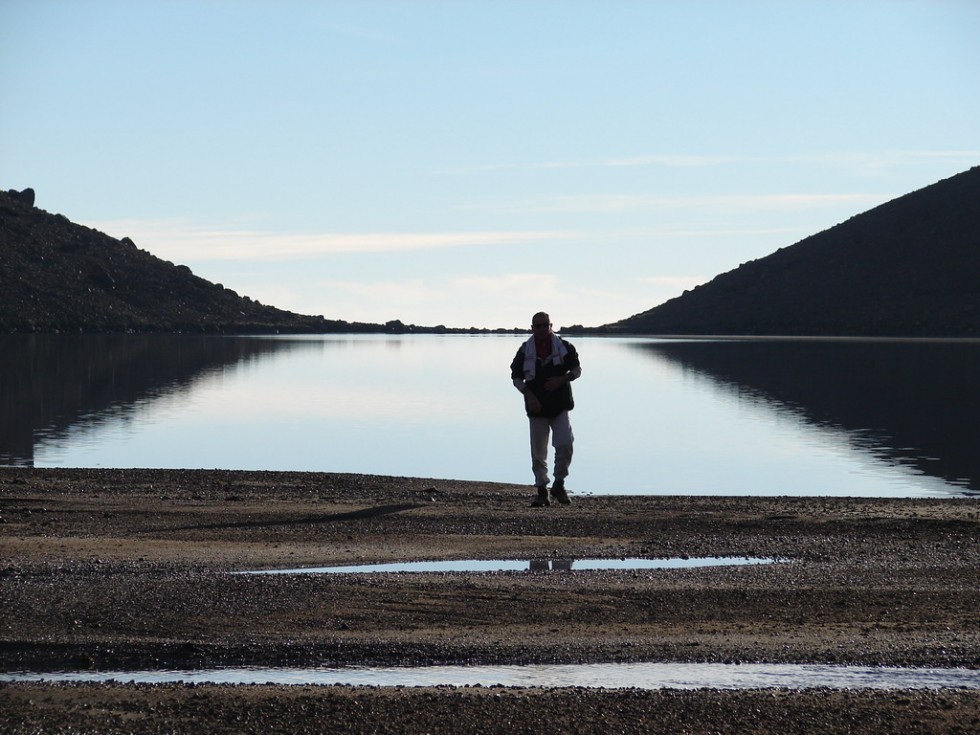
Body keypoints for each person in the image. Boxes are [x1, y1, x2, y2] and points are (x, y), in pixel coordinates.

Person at [510, 312, 582, 507]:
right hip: (537, 408)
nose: (542, 329)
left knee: (565, 444)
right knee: (538, 452)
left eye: (545, 325)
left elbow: (577, 370)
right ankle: (542, 490)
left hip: (560, 406)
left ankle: (559, 483)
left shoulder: (564, 347)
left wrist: (562, 379)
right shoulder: (525, 350)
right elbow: (516, 377)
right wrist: (529, 395)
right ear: (532, 328)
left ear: (551, 326)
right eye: (538, 326)